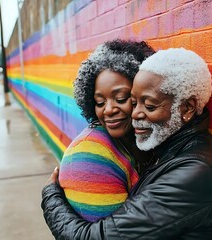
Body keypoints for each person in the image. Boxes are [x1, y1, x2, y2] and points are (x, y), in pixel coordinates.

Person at [42, 48, 212, 239]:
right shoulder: (166, 149)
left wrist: (51, 197)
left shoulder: (193, 173)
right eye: (134, 102)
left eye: (150, 106)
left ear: (187, 108)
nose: (135, 114)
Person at [58, 39, 155, 222]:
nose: (108, 109)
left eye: (120, 98)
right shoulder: (89, 155)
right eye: (100, 103)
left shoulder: (141, 139)